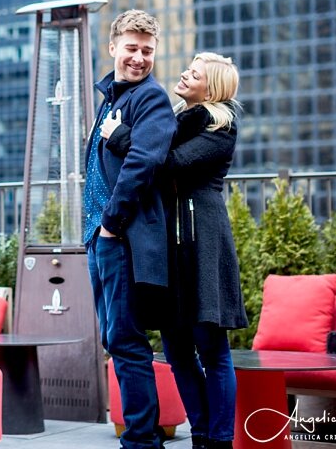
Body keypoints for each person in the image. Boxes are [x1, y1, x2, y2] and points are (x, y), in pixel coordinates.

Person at [100, 52, 248, 449]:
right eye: (188, 69)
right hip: (168, 245)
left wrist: (121, 138)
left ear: (210, 87)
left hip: (202, 245)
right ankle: (200, 432)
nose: (184, 75)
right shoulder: (176, 120)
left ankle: (218, 440)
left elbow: (169, 164)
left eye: (194, 74)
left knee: (212, 349)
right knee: (178, 350)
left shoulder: (220, 127)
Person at [83, 9, 176, 449]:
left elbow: (144, 162)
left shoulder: (150, 99)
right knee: (113, 336)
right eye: (131, 48)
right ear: (113, 48)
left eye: (147, 51)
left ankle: (141, 442)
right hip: (99, 238)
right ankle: (141, 437)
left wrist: (110, 225)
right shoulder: (112, 99)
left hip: (119, 237)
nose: (139, 58)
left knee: (126, 338)